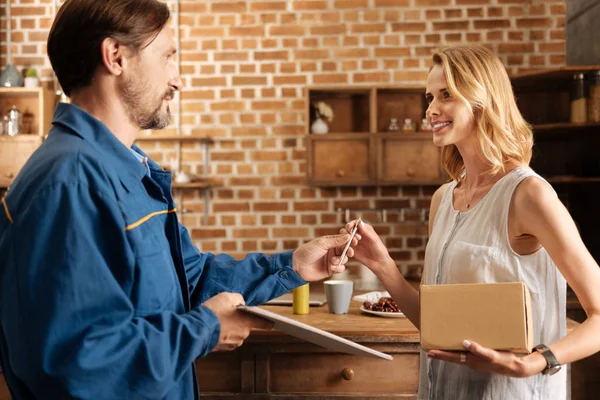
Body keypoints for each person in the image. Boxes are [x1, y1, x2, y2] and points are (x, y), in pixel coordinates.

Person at [0, 0, 356, 399]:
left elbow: (188, 281)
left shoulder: (126, 171)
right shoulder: (69, 183)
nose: (178, 79)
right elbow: (80, 363)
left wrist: (290, 266)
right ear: (115, 57)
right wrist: (205, 329)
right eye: (168, 57)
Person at [342, 44, 600, 399]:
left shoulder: (529, 195)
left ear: (483, 99)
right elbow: (439, 326)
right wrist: (383, 266)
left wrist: (536, 361)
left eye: (447, 95)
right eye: (429, 97)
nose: (431, 109)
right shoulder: (443, 200)